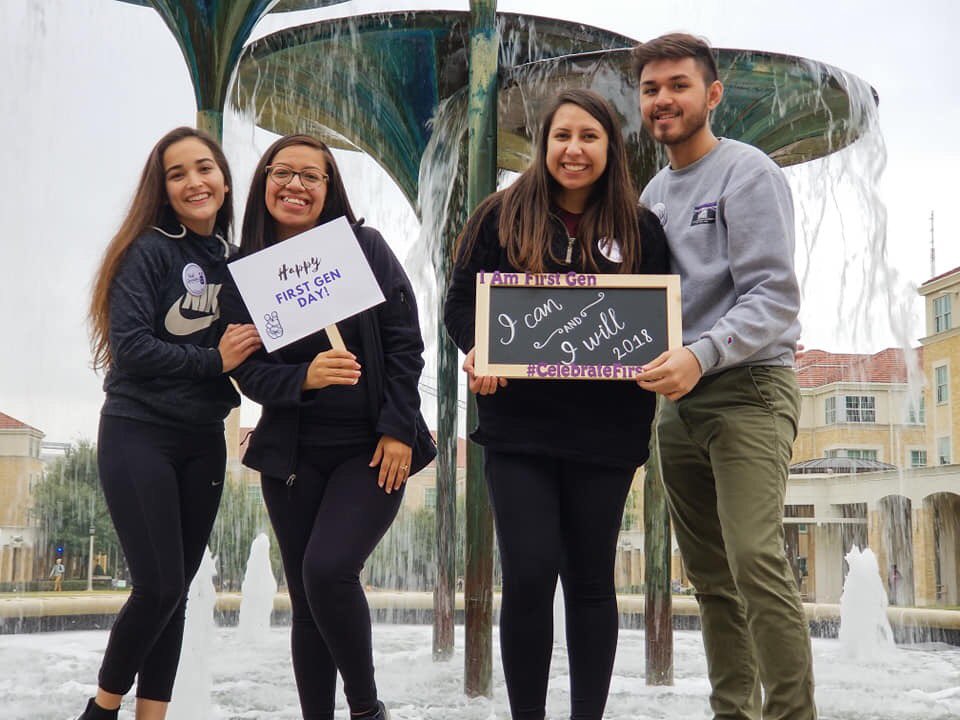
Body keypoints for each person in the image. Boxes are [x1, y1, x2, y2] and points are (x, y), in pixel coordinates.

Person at [444, 88, 669, 720]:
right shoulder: (499, 216)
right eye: (562, 136)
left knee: (592, 582)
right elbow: (460, 304)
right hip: (518, 434)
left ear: (610, 149)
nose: (574, 149)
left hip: (607, 436)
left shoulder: (640, 228)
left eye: (589, 137)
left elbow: (659, 319)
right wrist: (479, 349)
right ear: (544, 146)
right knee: (531, 575)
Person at [632, 33, 815, 720]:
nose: (663, 100)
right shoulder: (653, 190)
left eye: (678, 85)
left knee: (754, 560)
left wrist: (701, 354)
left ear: (712, 95)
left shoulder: (749, 173)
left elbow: (773, 297)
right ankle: (731, 713)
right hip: (677, 403)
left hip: (747, 389)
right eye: (651, 89)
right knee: (710, 578)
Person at [223, 133, 435, 720]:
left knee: (327, 568)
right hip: (291, 460)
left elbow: (405, 344)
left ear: (328, 188)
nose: (295, 185)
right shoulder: (243, 271)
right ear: (264, 183)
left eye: (311, 176)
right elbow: (246, 372)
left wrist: (397, 428)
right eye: (282, 172)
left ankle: (367, 711)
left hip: (371, 452)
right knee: (307, 601)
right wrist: (304, 378)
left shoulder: (363, 248)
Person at [79, 127, 261, 720]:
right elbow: (131, 348)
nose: (193, 182)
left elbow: (263, 345)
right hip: (139, 430)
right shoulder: (148, 251)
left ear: (225, 181)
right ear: (162, 190)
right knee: (156, 584)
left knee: (177, 594)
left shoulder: (236, 263)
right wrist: (215, 360)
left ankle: (151, 715)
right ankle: (101, 710)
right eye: (176, 174)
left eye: (204, 168)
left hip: (203, 440)